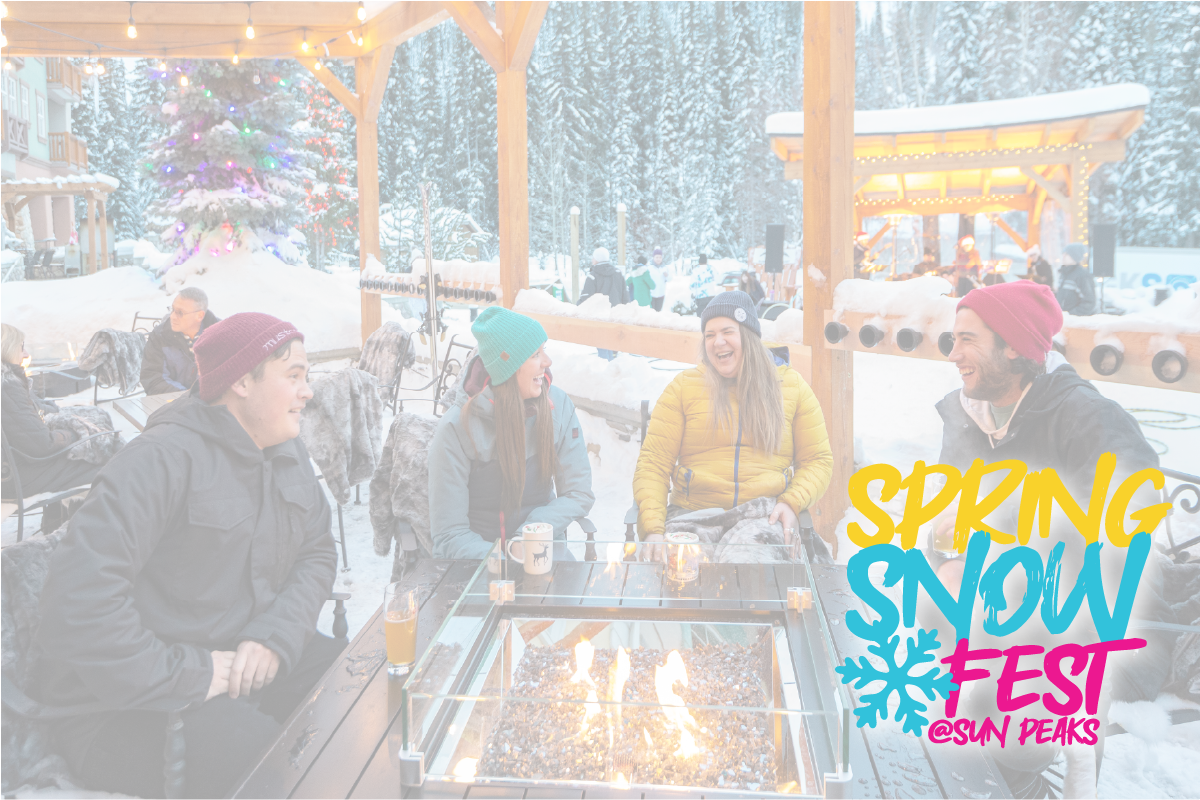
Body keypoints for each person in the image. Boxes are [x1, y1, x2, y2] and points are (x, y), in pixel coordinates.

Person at [35, 313, 339, 799]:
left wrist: (273, 637)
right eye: (294, 376)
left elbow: (318, 552)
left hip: (243, 659)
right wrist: (191, 673)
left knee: (357, 691)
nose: (308, 392)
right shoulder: (157, 462)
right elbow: (76, 609)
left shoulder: (284, 448)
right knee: (272, 768)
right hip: (127, 703)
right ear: (242, 380)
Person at [932, 281, 1172, 796]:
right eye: (953, 339)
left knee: (1014, 724)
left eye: (967, 340)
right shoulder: (970, 414)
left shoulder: (1085, 415)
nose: (953, 355)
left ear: (1014, 348)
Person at [633, 291, 833, 557]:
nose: (718, 342)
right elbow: (654, 463)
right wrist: (654, 529)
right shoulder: (683, 388)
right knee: (681, 571)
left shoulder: (791, 387)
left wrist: (792, 502)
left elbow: (818, 459)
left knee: (748, 567)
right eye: (710, 335)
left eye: (727, 331)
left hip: (763, 516)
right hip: (694, 515)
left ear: (748, 336)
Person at [428, 307, 594, 560]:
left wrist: (531, 534)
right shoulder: (456, 427)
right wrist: (503, 560)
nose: (547, 362)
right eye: (536, 354)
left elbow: (577, 492)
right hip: (477, 561)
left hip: (542, 550)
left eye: (544, 350)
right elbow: (449, 534)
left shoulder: (558, 406)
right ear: (509, 367)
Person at [1, 323, 107, 500]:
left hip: (13, 465)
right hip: (13, 478)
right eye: (21, 348)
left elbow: (29, 411)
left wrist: (57, 412)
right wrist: (76, 434)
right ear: (7, 348)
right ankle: (83, 523)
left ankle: (57, 518)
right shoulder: (6, 386)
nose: (26, 354)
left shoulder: (8, 383)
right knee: (105, 462)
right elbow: (42, 445)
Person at [141, 287, 220, 395]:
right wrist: (186, 397)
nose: (172, 316)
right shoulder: (160, 335)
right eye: (172, 309)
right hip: (171, 404)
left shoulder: (220, 335)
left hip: (212, 404)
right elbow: (152, 377)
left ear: (199, 315)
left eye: (180, 312)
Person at [578, 247, 628, 360]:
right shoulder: (618, 273)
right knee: (613, 342)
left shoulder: (593, 275)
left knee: (602, 342)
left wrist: (577, 309)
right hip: (616, 315)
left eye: (593, 258)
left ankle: (605, 365)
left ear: (597, 259)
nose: (592, 260)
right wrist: (625, 311)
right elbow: (625, 294)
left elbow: (586, 297)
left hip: (600, 316)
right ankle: (612, 362)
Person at [1055, 242, 1096, 315]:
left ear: (1075, 256)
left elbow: (1089, 302)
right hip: (1063, 319)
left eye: (1067, 254)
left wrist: (1072, 315)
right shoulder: (1063, 274)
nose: (1063, 256)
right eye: (1063, 253)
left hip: (1075, 322)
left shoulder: (1082, 275)